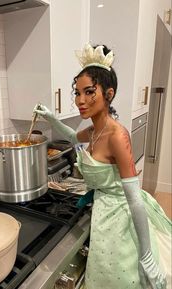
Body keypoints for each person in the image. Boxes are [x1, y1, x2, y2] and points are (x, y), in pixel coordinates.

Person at [34, 43, 171, 289]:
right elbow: (74, 138)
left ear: (109, 93)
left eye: (89, 92)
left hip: (120, 218)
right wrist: (52, 118)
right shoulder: (96, 130)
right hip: (103, 212)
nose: (80, 100)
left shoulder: (117, 135)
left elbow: (135, 199)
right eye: (77, 93)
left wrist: (147, 254)